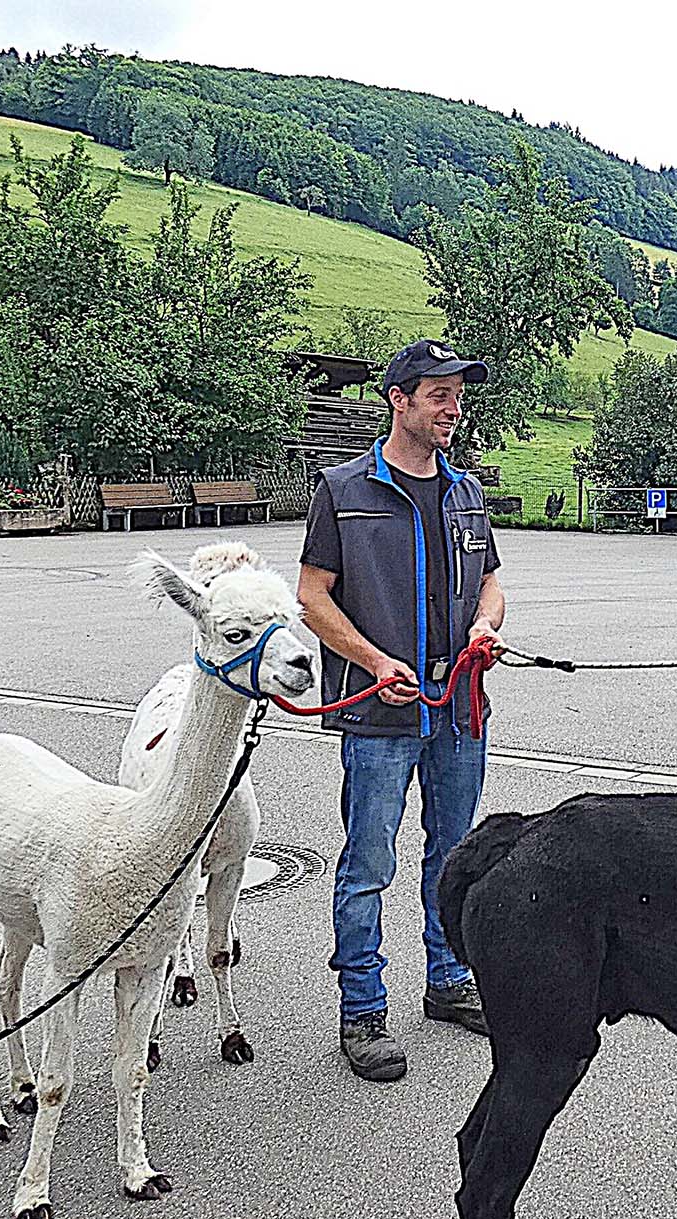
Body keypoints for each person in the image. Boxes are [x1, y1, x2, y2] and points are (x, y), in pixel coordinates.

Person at [298, 340, 506, 1083]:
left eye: (458, 396)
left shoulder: (466, 492)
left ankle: (448, 982)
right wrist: (372, 659)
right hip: (380, 717)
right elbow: (312, 595)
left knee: (455, 856)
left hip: (457, 711)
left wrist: (486, 627)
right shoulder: (344, 489)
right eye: (439, 396)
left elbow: (490, 585)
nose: (453, 409)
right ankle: (363, 1009)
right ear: (399, 399)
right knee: (368, 865)